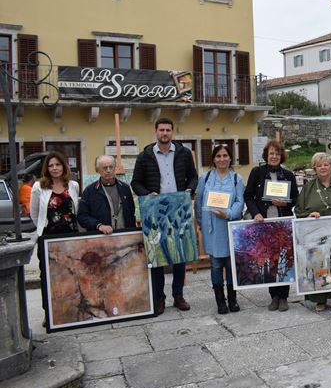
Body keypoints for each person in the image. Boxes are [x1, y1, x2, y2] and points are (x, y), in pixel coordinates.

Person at [132, 117, 198, 315]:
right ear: (155, 132)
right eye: (161, 130)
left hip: (178, 210)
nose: (165, 133)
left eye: (168, 130)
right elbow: (136, 183)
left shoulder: (184, 153)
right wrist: (147, 194)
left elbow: (193, 177)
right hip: (156, 211)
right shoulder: (145, 156)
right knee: (157, 255)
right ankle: (159, 298)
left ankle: (178, 295)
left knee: (179, 254)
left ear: (172, 132)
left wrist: (189, 189)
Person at [244, 140, 299, 312]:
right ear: (266, 156)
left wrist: (285, 203)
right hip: (264, 222)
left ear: (281, 156)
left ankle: (283, 297)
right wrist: (255, 213)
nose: (274, 156)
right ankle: (273, 296)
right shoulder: (257, 172)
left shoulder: (288, 174)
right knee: (269, 259)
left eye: (277, 153)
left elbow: (296, 198)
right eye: (271, 154)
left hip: (283, 222)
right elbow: (248, 196)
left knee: (283, 259)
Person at [294, 152, 331, 312]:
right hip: (316, 235)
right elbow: (298, 210)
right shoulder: (308, 188)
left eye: (326, 164)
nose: (323, 167)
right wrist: (308, 215)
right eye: (319, 165)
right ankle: (319, 299)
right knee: (318, 264)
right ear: (314, 168)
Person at [195, 144, 244, 315]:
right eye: (218, 156)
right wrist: (201, 222)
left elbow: (240, 201)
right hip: (212, 229)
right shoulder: (205, 178)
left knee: (231, 265)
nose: (222, 159)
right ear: (213, 159)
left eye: (225, 156)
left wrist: (229, 213)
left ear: (230, 158)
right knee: (216, 265)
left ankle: (232, 299)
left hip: (229, 226)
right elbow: (199, 201)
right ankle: (220, 301)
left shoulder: (237, 178)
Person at [29, 151, 80, 317]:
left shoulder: (73, 185)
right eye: (51, 165)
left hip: (70, 238)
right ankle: (49, 314)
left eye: (57, 164)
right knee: (48, 277)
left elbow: (75, 210)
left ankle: (69, 310)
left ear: (63, 166)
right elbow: (34, 213)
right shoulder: (39, 187)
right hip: (48, 240)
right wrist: (42, 229)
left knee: (70, 275)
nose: (54, 168)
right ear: (46, 168)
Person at [77, 156, 136, 234]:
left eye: (111, 167)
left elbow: (131, 212)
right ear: (97, 170)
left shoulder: (125, 188)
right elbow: (82, 216)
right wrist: (98, 225)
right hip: (101, 237)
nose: (108, 170)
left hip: (124, 235)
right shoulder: (89, 191)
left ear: (115, 168)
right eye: (105, 168)